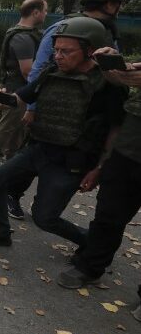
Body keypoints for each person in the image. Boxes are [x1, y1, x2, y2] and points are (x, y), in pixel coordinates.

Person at [0, 18, 126, 252]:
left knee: (45, 218)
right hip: (39, 148)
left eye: (66, 51)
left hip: (72, 160)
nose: (58, 56)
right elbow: (21, 98)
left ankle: (91, 243)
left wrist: (99, 168)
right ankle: (0, 233)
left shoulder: (108, 84)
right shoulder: (51, 72)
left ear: (90, 51)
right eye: (56, 50)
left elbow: (116, 129)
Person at [5, 0, 133, 219]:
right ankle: (14, 194)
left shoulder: (106, 33)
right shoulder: (64, 28)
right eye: (118, 2)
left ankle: (45, 205)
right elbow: (40, 69)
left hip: (87, 111)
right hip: (55, 107)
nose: (119, 8)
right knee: (34, 155)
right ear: (108, 4)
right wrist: (31, 107)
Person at [56, 50, 141, 310]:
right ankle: (91, 267)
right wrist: (114, 66)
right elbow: (124, 80)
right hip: (127, 151)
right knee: (108, 215)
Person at [0, 0, 47, 168]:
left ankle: (11, 155)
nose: (46, 14)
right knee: (10, 121)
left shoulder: (20, 33)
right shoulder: (24, 38)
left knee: (19, 123)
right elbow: (28, 70)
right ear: (35, 12)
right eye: (45, 10)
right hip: (18, 86)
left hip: (17, 84)